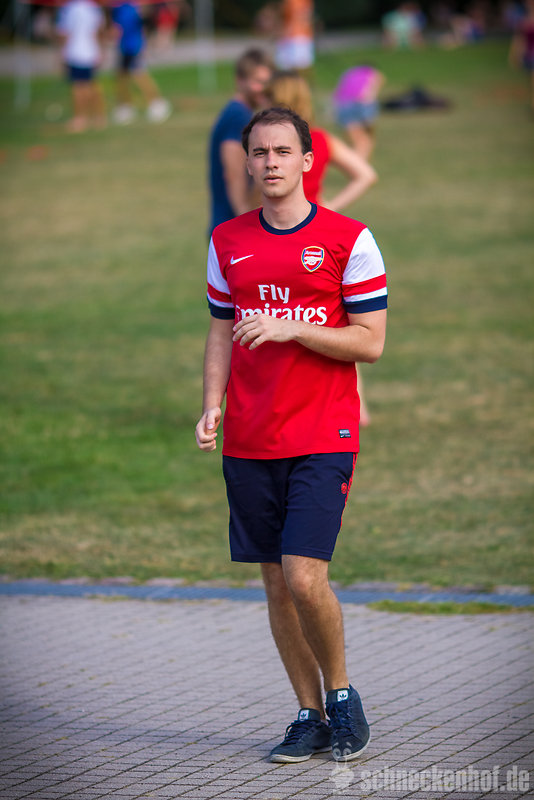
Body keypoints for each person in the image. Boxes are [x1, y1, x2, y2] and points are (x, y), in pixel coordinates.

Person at [195, 106, 387, 763]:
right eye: (260, 152)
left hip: (323, 431)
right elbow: (221, 330)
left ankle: (342, 697)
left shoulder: (349, 239)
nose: (270, 162)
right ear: (247, 162)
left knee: (305, 578)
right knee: (276, 583)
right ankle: (308, 715)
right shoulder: (227, 240)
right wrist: (212, 404)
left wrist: (292, 328)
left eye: (283, 151)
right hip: (250, 437)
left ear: (308, 160)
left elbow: (371, 342)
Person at [268, 70, 377, 425]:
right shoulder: (321, 139)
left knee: (292, 317)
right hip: (321, 238)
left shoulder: (269, 145)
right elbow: (365, 174)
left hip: (288, 237)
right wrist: (332, 207)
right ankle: (357, 404)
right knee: (336, 320)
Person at [208, 48, 274, 236]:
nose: (263, 88)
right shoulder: (239, 116)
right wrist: (243, 216)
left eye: (267, 82)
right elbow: (233, 172)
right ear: (240, 80)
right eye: (257, 82)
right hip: (231, 226)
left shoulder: (238, 112)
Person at [111, 1, 171, 124]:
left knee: (139, 74)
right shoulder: (118, 7)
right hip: (124, 47)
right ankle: (126, 106)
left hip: (134, 46)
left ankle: (157, 103)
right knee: (122, 77)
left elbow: (141, 24)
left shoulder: (134, 7)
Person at [56, 0, 107, 133]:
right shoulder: (93, 8)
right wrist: (101, 50)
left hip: (75, 52)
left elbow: (64, 32)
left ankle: (80, 119)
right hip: (91, 51)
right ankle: (99, 116)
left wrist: (61, 53)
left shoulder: (68, 8)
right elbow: (99, 31)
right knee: (91, 84)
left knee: (78, 87)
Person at [332, 64, 385, 160]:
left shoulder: (349, 73)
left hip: (342, 105)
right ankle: (359, 163)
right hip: (361, 105)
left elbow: (338, 91)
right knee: (366, 141)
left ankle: (356, 162)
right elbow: (373, 90)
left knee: (356, 141)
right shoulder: (372, 72)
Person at [509, 0, 534, 111]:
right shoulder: (524, 20)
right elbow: (520, 39)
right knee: (530, 82)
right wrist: (515, 55)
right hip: (529, 55)